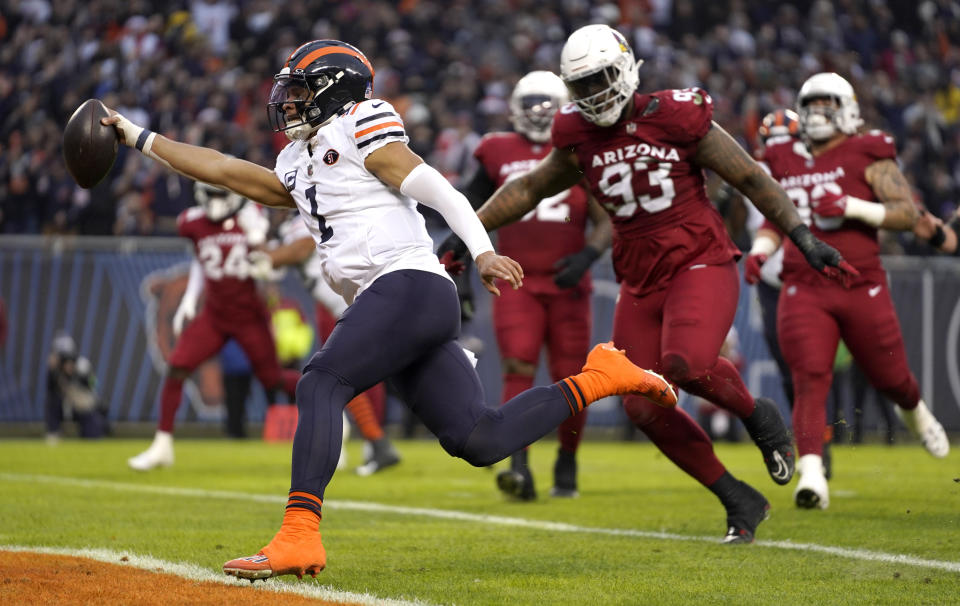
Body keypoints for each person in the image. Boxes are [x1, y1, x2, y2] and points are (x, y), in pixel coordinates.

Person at [102, 39, 677, 580]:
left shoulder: (361, 122)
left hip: (407, 283)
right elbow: (223, 169)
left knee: (320, 383)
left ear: (334, 90)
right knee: (479, 439)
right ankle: (604, 377)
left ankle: (300, 532)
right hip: (396, 301)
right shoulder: (297, 163)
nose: (288, 102)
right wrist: (136, 136)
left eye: (300, 90)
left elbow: (438, 188)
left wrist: (482, 251)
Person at [453, 24, 858, 542]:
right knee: (641, 402)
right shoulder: (576, 134)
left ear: (623, 69)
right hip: (639, 277)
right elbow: (529, 187)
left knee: (683, 364)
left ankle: (759, 415)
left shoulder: (678, 114)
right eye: (582, 85)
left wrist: (801, 236)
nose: (594, 93)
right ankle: (737, 498)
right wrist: (470, 237)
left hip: (699, 259)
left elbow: (751, 177)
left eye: (601, 78)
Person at [749, 72, 950, 510]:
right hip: (803, 285)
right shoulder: (784, 155)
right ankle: (813, 476)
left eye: (827, 105)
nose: (818, 115)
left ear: (846, 109)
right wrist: (762, 252)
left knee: (891, 379)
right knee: (809, 380)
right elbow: (774, 217)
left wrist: (851, 206)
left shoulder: (868, 150)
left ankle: (914, 411)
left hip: (861, 282)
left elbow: (904, 212)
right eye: (811, 105)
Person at [452, 70, 613, 500]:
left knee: (572, 377)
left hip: (568, 283)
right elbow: (470, 212)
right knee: (518, 367)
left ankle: (567, 463)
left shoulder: (583, 146)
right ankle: (519, 467)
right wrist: (464, 265)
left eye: (548, 104)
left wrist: (587, 257)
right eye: (531, 104)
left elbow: (604, 220)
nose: (539, 114)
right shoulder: (495, 149)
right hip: (515, 278)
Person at [127, 182, 302, 471]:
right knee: (178, 367)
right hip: (215, 314)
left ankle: (330, 403)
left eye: (223, 193)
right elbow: (200, 259)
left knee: (273, 380)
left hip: (249, 316)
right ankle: (162, 445)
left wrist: (258, 239)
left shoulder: (250, 217)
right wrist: (190, 299)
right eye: (213, 194)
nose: (218, 200)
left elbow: (276, 265)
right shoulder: (193, 222)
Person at [249, 211, 402, 476]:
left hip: (354, 306)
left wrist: (268, 257)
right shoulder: (286, 228)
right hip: (345, 308)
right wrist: (253, 236)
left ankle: (378, 443)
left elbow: (300, 249)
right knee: (335, 378)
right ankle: (376, 444)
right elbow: (272, 262)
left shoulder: (307, 215)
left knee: (339, 377)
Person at [45, 331, 109, 442]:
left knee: (93, 432)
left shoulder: (83, 366)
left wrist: (83, 377)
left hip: (82, 406)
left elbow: (95, 384)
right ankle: (53, 433)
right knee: (53, 402)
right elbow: (50, 390)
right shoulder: (55, 370)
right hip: (64, 405)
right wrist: (54, 372)